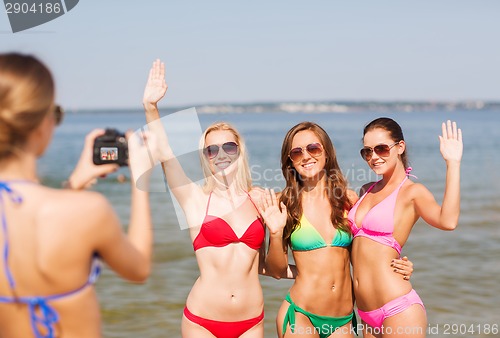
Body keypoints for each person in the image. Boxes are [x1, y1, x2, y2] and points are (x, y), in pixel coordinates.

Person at [0, 53, 157, 338]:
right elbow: (139, 268)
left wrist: (75, 181)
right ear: (42, 126)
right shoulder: (87, 211)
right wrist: (141, 176)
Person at [143, 59, 293, 338]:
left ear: (240, 150)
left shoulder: (259, 200)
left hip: (251, 321)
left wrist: (314, 272)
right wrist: (151, 108)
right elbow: (164, 153)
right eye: (212, 150)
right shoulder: (194, 199)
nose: (221, 154)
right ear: (206, 158)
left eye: (228, 146)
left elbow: (266, 265)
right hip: (203, 321)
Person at [260, 122, 413, 338]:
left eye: (313, 148)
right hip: (301, 315)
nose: (306, 156)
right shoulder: (283, 203)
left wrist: (397, 266)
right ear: (290, 161)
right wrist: (275, 235)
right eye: (296, 152)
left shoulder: (349, 199)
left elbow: (370, 248)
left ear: (326, 152)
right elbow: (275, 270)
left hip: (343, 321)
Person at [347, 117, 462, 337]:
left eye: (381, 149)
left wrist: (453, 164)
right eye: (367, 152)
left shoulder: (412, 192)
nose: (373, 157)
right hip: (366, 313)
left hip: (398, 308)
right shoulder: (365, 191)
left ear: (400, 147)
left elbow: (448, 221)